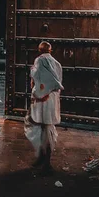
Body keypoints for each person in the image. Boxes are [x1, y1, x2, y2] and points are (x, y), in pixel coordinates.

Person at [24, 41, 64, 174]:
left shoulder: (39, 60)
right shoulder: (57, 63)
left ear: (39, 50)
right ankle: (44, 159)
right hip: (52, 99)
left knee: (38, 126)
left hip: (42, 99)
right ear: (50, 50)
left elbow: (37, 79)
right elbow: (57, 83)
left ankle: (44, 160)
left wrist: (38, 93)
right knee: (48, 128)